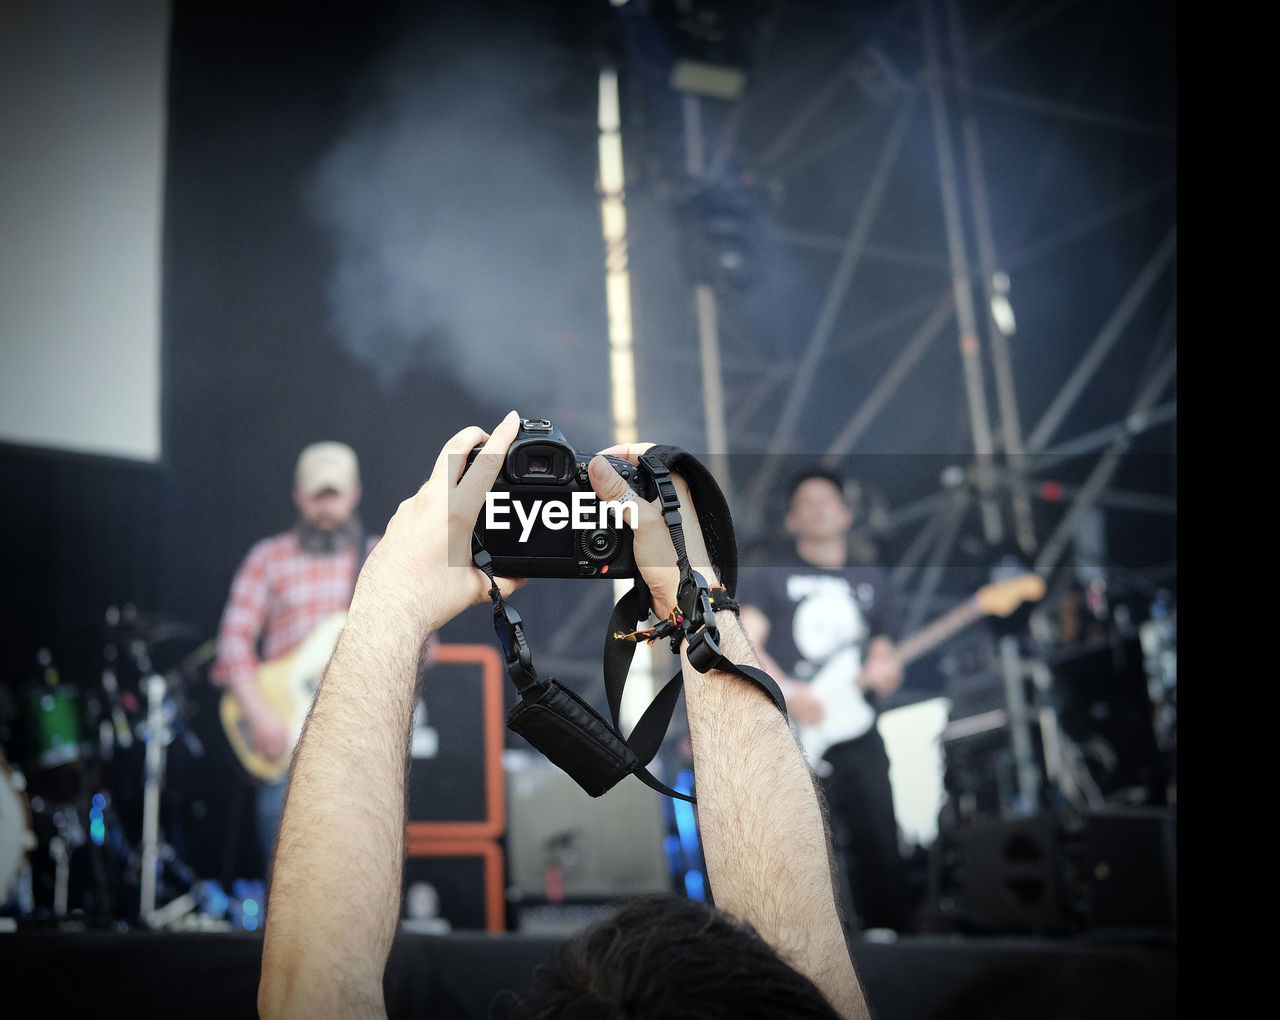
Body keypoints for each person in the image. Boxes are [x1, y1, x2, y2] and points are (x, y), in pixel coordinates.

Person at [257, 413, 871, 1020]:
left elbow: (311, 995)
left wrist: (387, 602)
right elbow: (804, 966)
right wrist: (693, 588)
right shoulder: (270, 560)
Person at [738, 467, 911, 935]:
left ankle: (890, 934)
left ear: (846, 514)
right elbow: (745, 640)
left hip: (854, 727)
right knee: (802, 840)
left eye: (827, 499)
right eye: (806, 502)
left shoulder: (870, 577)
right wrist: (790, 695)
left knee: (878, 827)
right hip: (791, 726)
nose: (818, 507)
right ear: (792, 520)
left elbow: (883, 653)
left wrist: (886, 672)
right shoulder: (770, 573)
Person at [211, 440, 377, 871]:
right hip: (284, 736)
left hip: (357, 737)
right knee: (287, 870)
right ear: (298, 497)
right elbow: (232, 640)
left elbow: (423, 648)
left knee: (355, 872)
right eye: (316, 496)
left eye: (334, 495)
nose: (326, 508)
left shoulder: (380, 558)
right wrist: (258, 713)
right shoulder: (268, 558)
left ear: (354, 494)